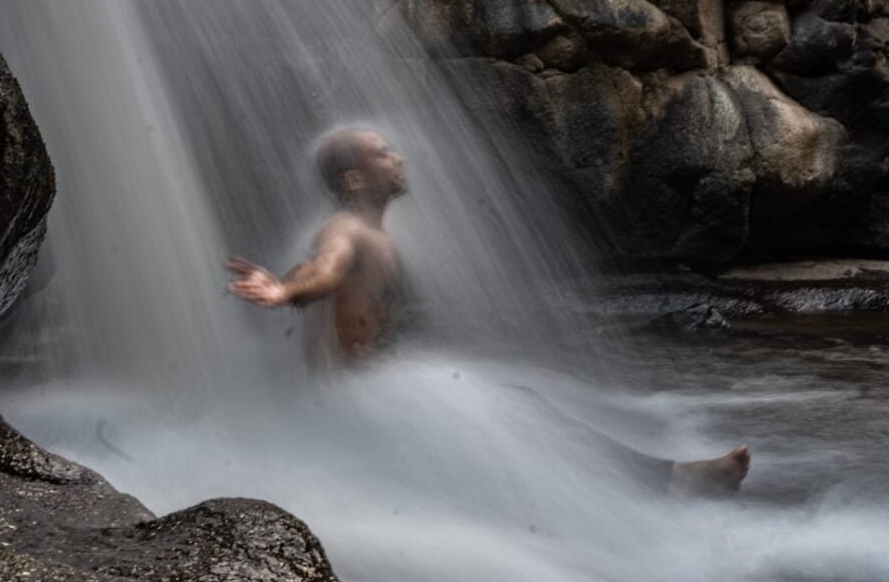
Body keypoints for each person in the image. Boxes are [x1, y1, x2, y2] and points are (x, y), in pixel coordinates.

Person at [226, 127, 750, 496]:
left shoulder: (376, 234)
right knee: (529, 424)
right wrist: (284, 292)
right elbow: (323, 268)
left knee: (525, 418)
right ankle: (671, 484)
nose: (399, 159)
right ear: (354, 180)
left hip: (379, 395)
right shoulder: (346, 230)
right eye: (383, 154)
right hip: (358, 404)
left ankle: (650, 488)